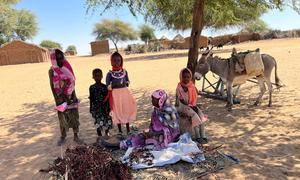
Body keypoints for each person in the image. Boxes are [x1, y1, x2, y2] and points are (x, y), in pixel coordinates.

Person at [48, 49, 82, 146]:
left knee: (75, 116)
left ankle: (76, 136)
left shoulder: (67, 68)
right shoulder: (52, 71)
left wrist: (74, 96)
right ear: (53, 59)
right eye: (57, 59)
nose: (60, 61)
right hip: (60, 99)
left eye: (61, 58)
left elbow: (72, 83)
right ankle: (63, 136)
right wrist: (61, 98)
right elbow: (53, 87)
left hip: (71, 97)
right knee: (62, 118)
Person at [106, 52, 137, 135]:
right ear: (111, 62)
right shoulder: (109, 74)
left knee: (126, 109)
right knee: (117, 110)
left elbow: (127, 83)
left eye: (118, 60)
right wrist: (116, 85)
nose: (116, 62)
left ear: (121, 61)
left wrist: (124, 84)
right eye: (114, 60)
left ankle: (128, 130)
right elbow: (108, 86)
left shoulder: (125, 72)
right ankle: (120, 131)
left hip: (125, 94)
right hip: (115, 95)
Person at [176, 68, 209, 144]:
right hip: (183, 106)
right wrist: (191, 106)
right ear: (181, 77)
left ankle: (203, 135)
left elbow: (194, 98)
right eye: (184, 77)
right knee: (195, 116)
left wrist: (194, 106)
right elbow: (181, 100)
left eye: (188, 77)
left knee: (201, 116)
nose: (186, 79)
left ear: (190, 77)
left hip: (192, 105)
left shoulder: (191, 86)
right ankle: (198, 137)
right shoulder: (179, 87)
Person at [89, 68, 112, 137]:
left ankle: (106, 133)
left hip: (105, 107)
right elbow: (91, 98)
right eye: (96, 76)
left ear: (102, 76)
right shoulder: (91, 87)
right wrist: (91, 107)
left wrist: (109, 107)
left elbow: (108, 97)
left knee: (106, 120)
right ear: (93, 77)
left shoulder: (105, 87)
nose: (97, 77)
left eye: (99, 76)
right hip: (96, 108)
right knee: (98, 121)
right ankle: (99, 135)